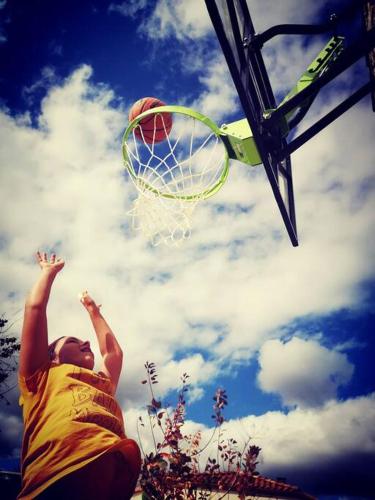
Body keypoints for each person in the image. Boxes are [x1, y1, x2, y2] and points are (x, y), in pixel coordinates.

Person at [18, 251, 141, 499]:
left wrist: (93, 311)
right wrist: (48, 273)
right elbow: (35, 308)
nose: (85, 341)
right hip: (54, 479)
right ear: (52, 355)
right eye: (73, 341)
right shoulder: (40, 376)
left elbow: (113, 354)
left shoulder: (101, 384)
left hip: (109, 483)